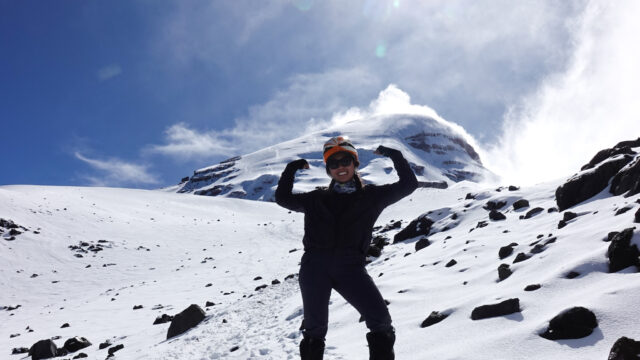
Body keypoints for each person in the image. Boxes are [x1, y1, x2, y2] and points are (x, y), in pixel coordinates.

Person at [275, 136, 418, 360]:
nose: (340, 167)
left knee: (381, 322)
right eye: (333, 164)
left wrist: (396, 155)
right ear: (328, 170)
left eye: (345, 161)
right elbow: (282, 198)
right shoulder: (315, 199)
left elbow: (409, 185)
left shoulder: (372, 197)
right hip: (314, 269)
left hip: (351, 268)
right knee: (314, 331)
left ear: (355, 164)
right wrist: (291, 169)